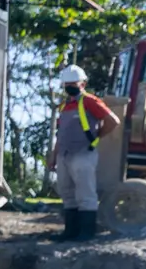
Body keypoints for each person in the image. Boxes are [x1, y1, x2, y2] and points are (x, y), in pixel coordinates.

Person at [48, 64, 119, 241]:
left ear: (83, 84)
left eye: (73, 83)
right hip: (64, 154)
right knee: (67, 193)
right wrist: (54, 157)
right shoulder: (65, 105)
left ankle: (86, 233)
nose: (69, 87)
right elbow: (61, 134)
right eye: (66, 84)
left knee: (85, 193)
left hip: (83, 154)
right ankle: (70, 232)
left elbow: (113, 121)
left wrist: (96, 137)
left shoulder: (90, 101)